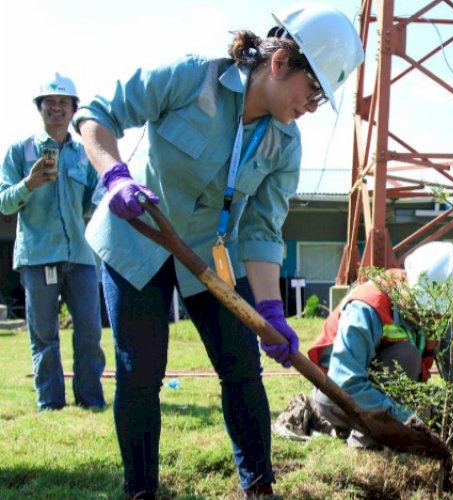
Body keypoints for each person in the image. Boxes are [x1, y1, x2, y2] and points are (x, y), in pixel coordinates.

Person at [72, 4, 364, 498]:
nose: (312, 107)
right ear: (278, 64)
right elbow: (97, 113)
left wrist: (271, 310)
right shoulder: (193, 79)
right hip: (136, 237)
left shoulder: (285, 143)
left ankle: (258, 487)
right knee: (140, 372)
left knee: (242, 367)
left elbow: (262, 230)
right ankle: (140, 490)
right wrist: (114, 175)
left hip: (207, 260)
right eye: (312, 91)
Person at [307, 241, 453, 458]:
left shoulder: (442, 313)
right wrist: (404, 417)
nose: (430, 318)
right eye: (424, 309)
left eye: (437, 313)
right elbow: (345, 380)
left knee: (415, 370)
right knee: (406, 355)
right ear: (407, 282)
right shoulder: (368, 305)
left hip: (389, 399)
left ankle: (380, 433)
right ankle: (366, 441)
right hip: (337, 398)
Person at [0, 73, 106, 411]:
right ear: (40, 107)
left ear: (74, 109)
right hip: (37, 257)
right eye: (50, 101)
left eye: (64, 102)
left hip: (81, 256)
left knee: (90, 331)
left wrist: (105, 193)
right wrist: (28, 184)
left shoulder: (83, 154)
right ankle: (51, 404)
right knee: (44, 335)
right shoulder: (19, 151)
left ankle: (91, 399)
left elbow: (91, 206)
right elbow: (3, 202)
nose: (57, 107)